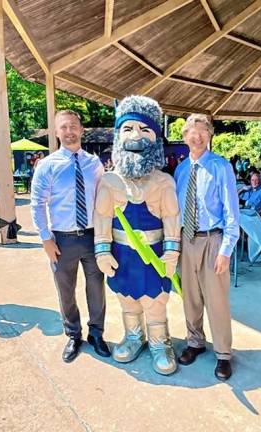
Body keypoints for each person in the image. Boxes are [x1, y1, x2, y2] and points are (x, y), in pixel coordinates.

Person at [94, 96, 181, 375]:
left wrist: (172, 251)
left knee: (155, 301)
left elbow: (171, 218)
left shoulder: (164, 181)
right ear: (118, 135)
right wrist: (102, 250)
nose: (136, 136)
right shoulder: (108, 181)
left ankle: (159, 342)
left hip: (154, 253)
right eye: (128, 129)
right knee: (127, 299)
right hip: (121, 254)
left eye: (145, 130)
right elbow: (102, 217)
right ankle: (134, 336)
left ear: (156, 138)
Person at [31, 110, 110, 363]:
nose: (69, 131)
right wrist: (46, 239)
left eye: (73, 126)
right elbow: (37, 204)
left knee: (96, 288)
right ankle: (73, 335)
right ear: (56, 132)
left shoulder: (94, 164)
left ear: (81, 129)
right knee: (66, 291)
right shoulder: (47, 166)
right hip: (61, 240)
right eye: (63, 127)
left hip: (92, 236)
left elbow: (104, 200)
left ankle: (96, 334)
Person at [174, 114, 239, 381]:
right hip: (186, 239)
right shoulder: (180, 170)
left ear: (210, 135)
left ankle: (223, 354)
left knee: (217, 300)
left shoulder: (221, 167)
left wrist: (226, 250)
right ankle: (195, 342)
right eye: (192, 131)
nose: (197, 136)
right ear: (185, 136)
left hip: (213, 239)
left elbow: (231, 211)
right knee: (190, 296)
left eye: (202, 131)